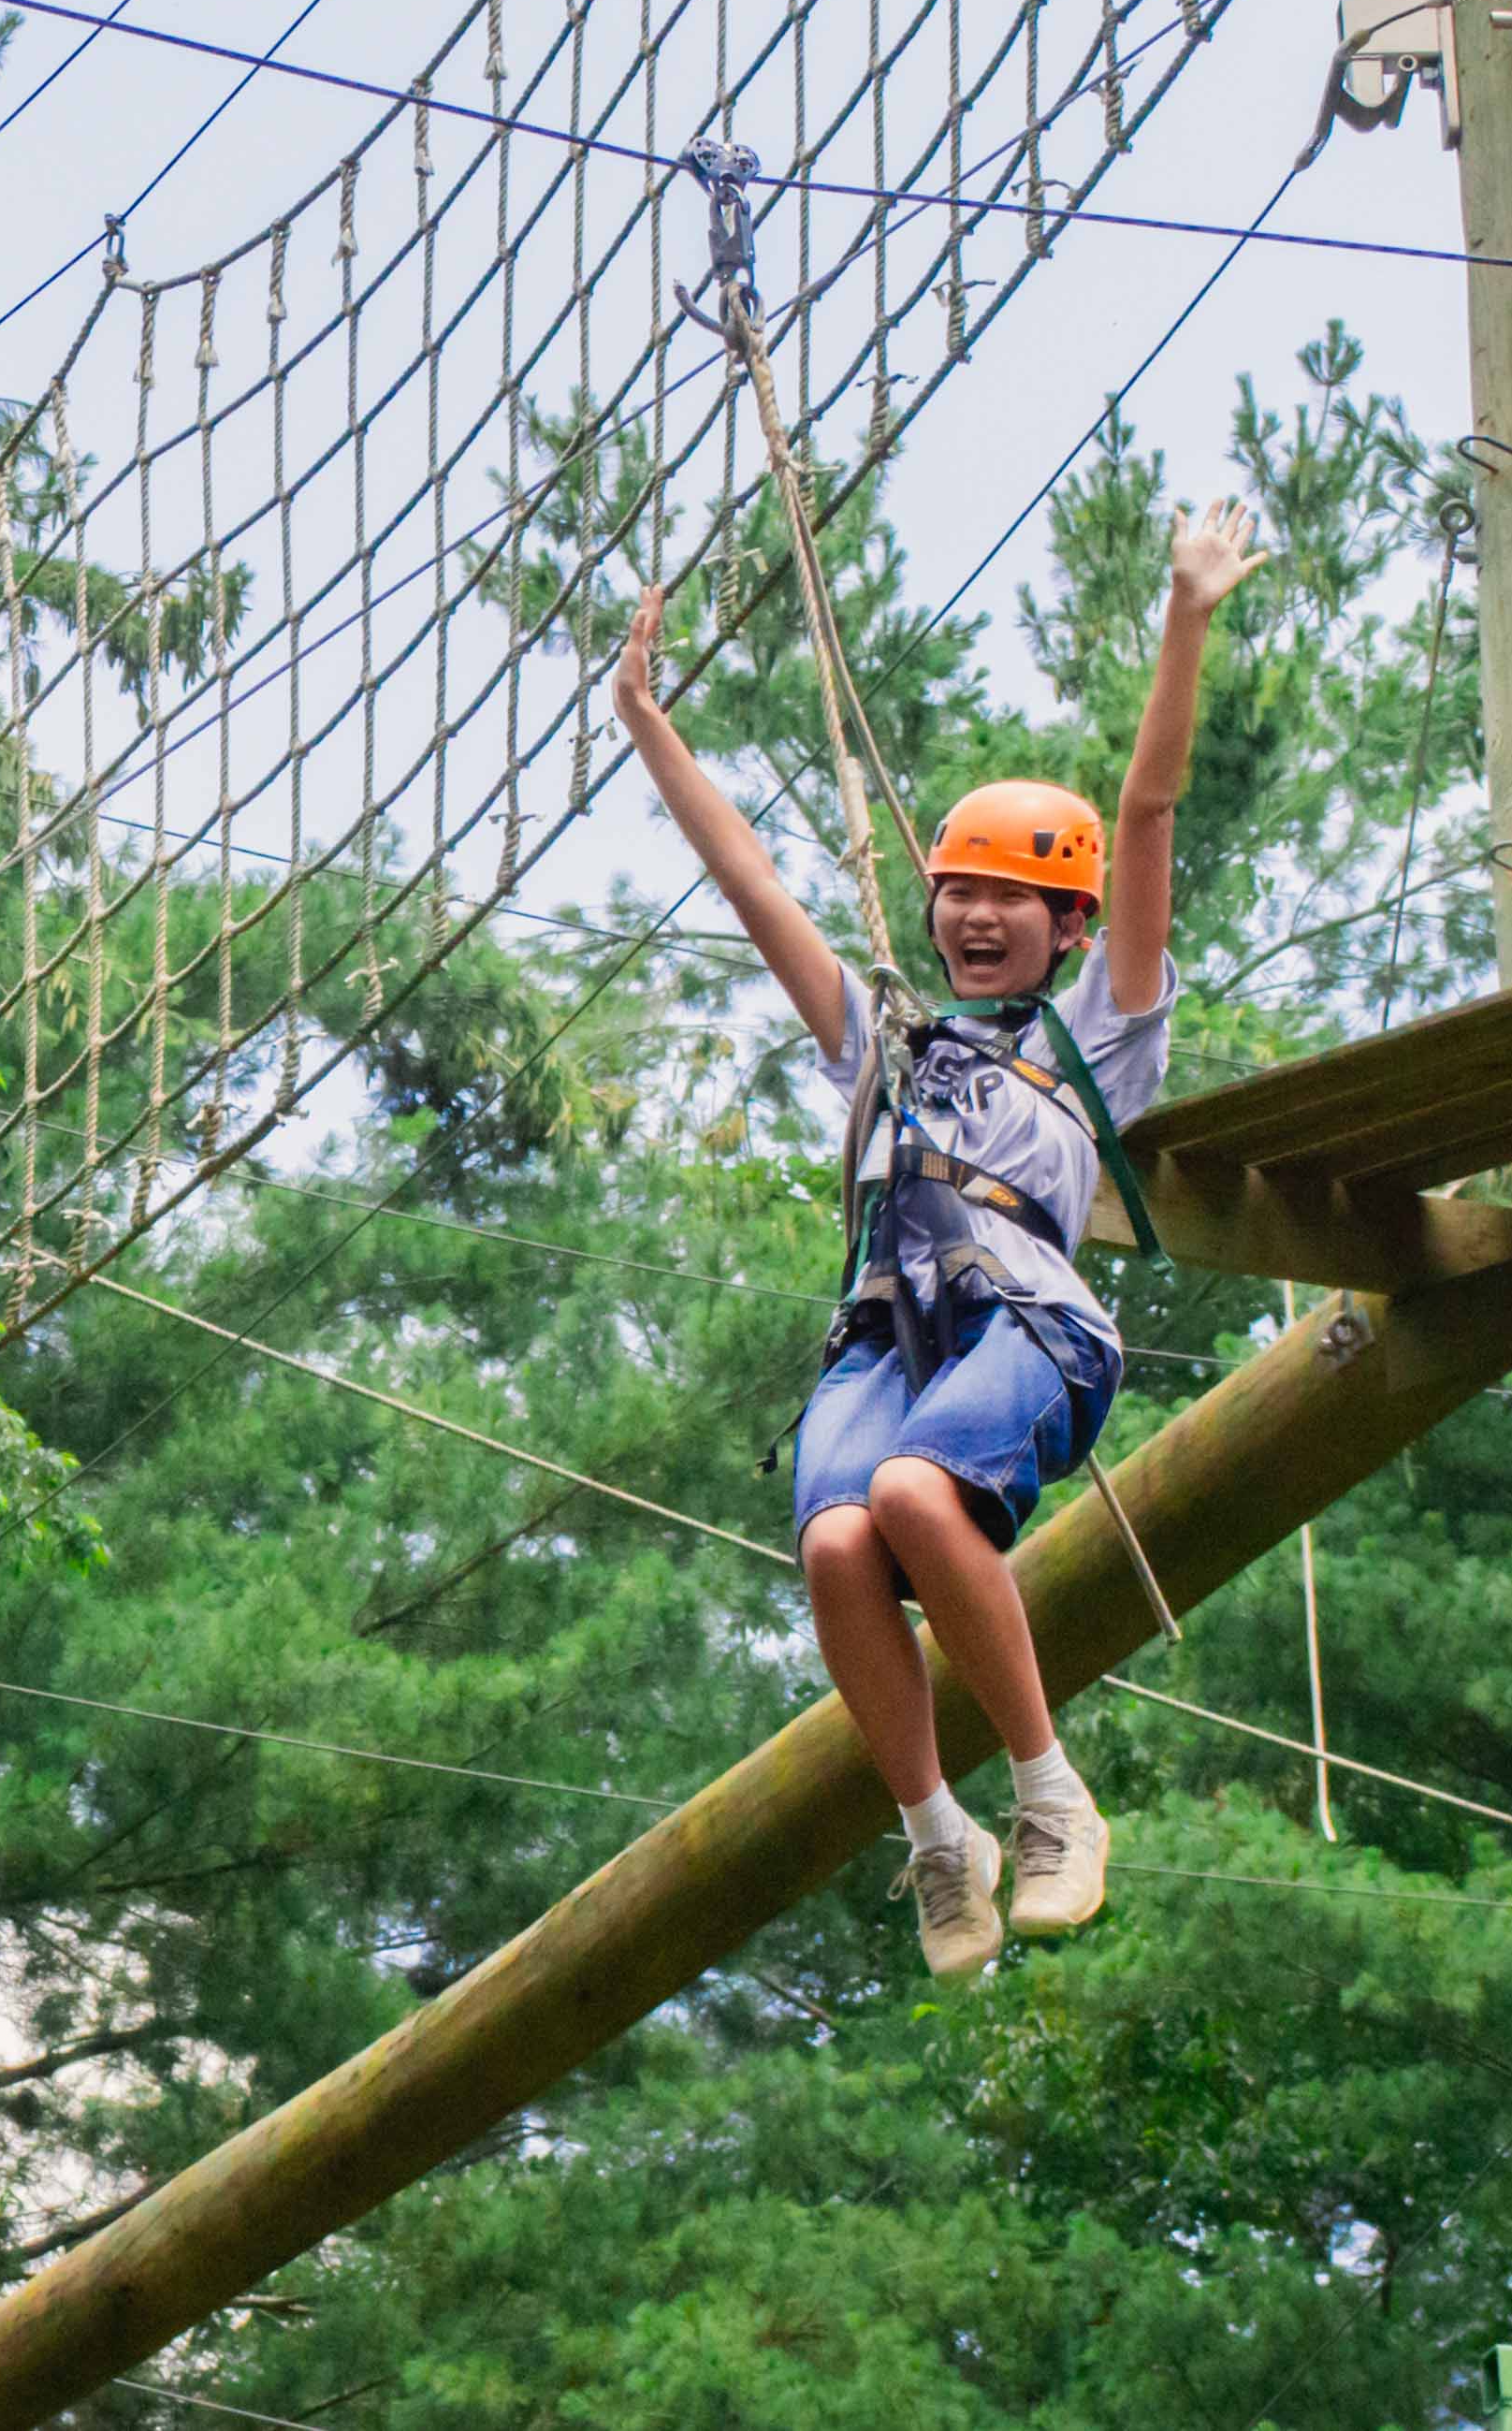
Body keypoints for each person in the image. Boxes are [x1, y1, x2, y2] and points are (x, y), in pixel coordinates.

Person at [609, 500, 1268, 1978]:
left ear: (1065, 928)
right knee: (839, 1535)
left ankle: (1048, 1796)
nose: (973, 914)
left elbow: (1147, 814)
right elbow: (753, 885)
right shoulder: (883, 1043)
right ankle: (936, 1836)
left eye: (1010, 899)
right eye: (958, 890)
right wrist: (648, 724)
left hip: (1027, 1321)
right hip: (884, 1334)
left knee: (912, 1494)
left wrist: (1186, 616)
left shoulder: (1096, 1035)